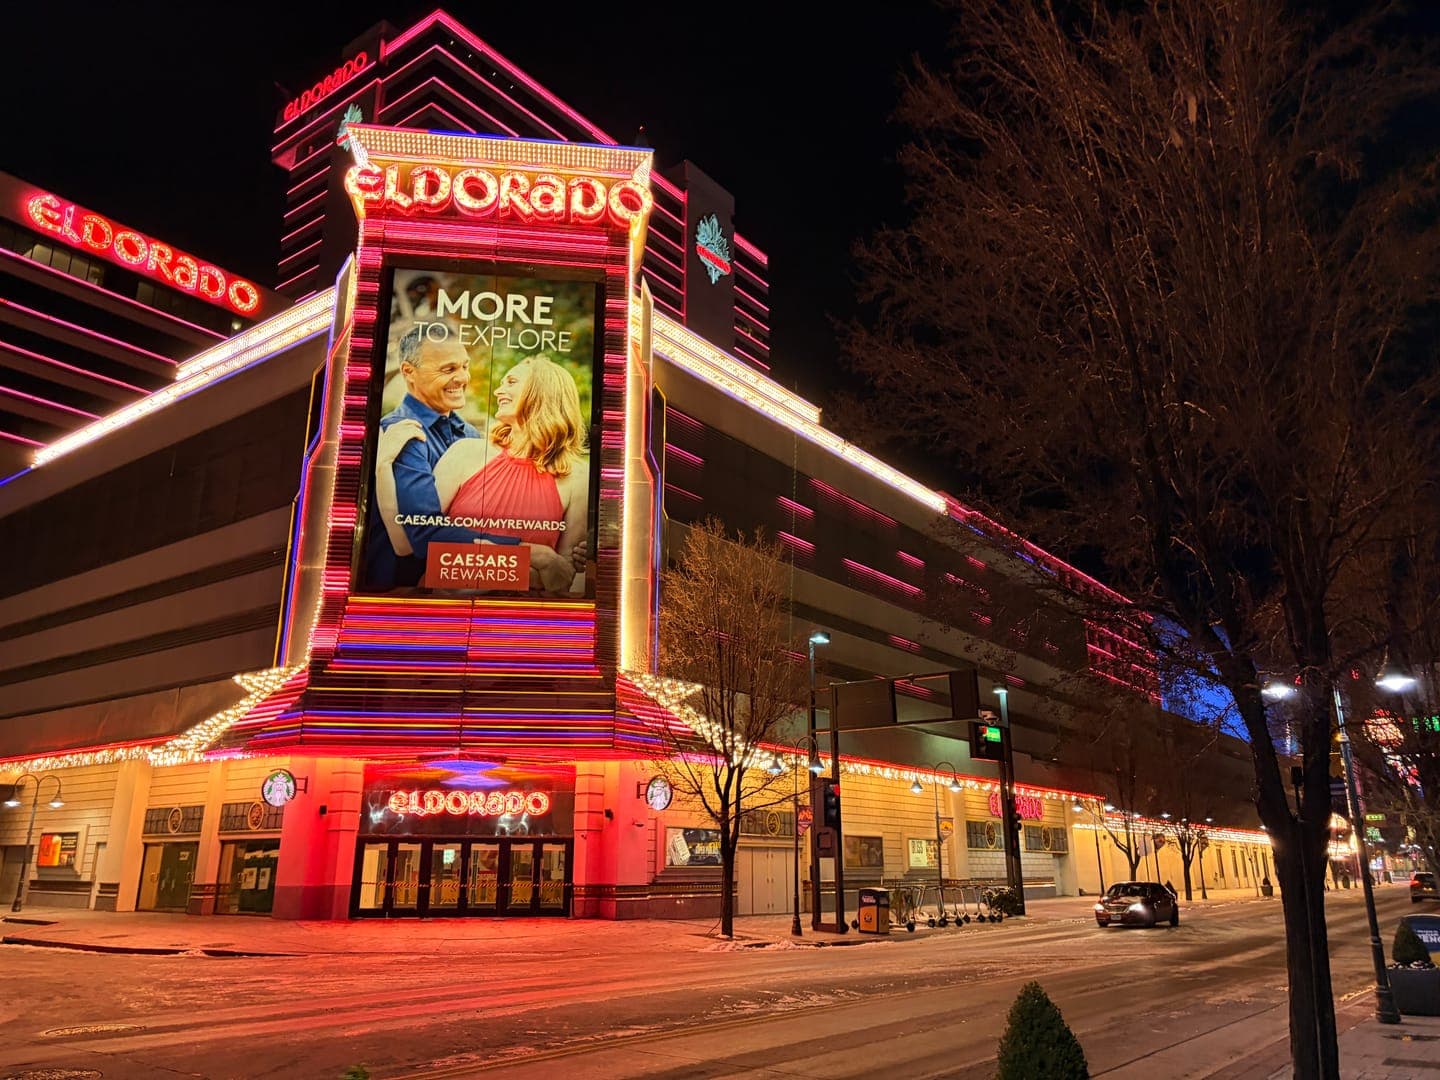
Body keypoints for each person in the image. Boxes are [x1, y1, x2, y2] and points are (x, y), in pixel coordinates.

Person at [377, 353, 589, 595]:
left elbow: (559, 580)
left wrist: (474, 561)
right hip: (442, 615)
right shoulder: (466, 452)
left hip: (518, 623)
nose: (498, 392)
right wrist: (533, 561)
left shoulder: (576, 478)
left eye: (510, 382)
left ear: (543, 391)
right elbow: (409, 542)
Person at [363, 325, 517, 590]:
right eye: (448, 369)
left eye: (464, 366)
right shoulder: (400, 432)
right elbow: (421, 533)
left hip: (463, 591)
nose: (462, 378)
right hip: (401, 601)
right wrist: (526, 550)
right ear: (408, 373)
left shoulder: (471, 434)